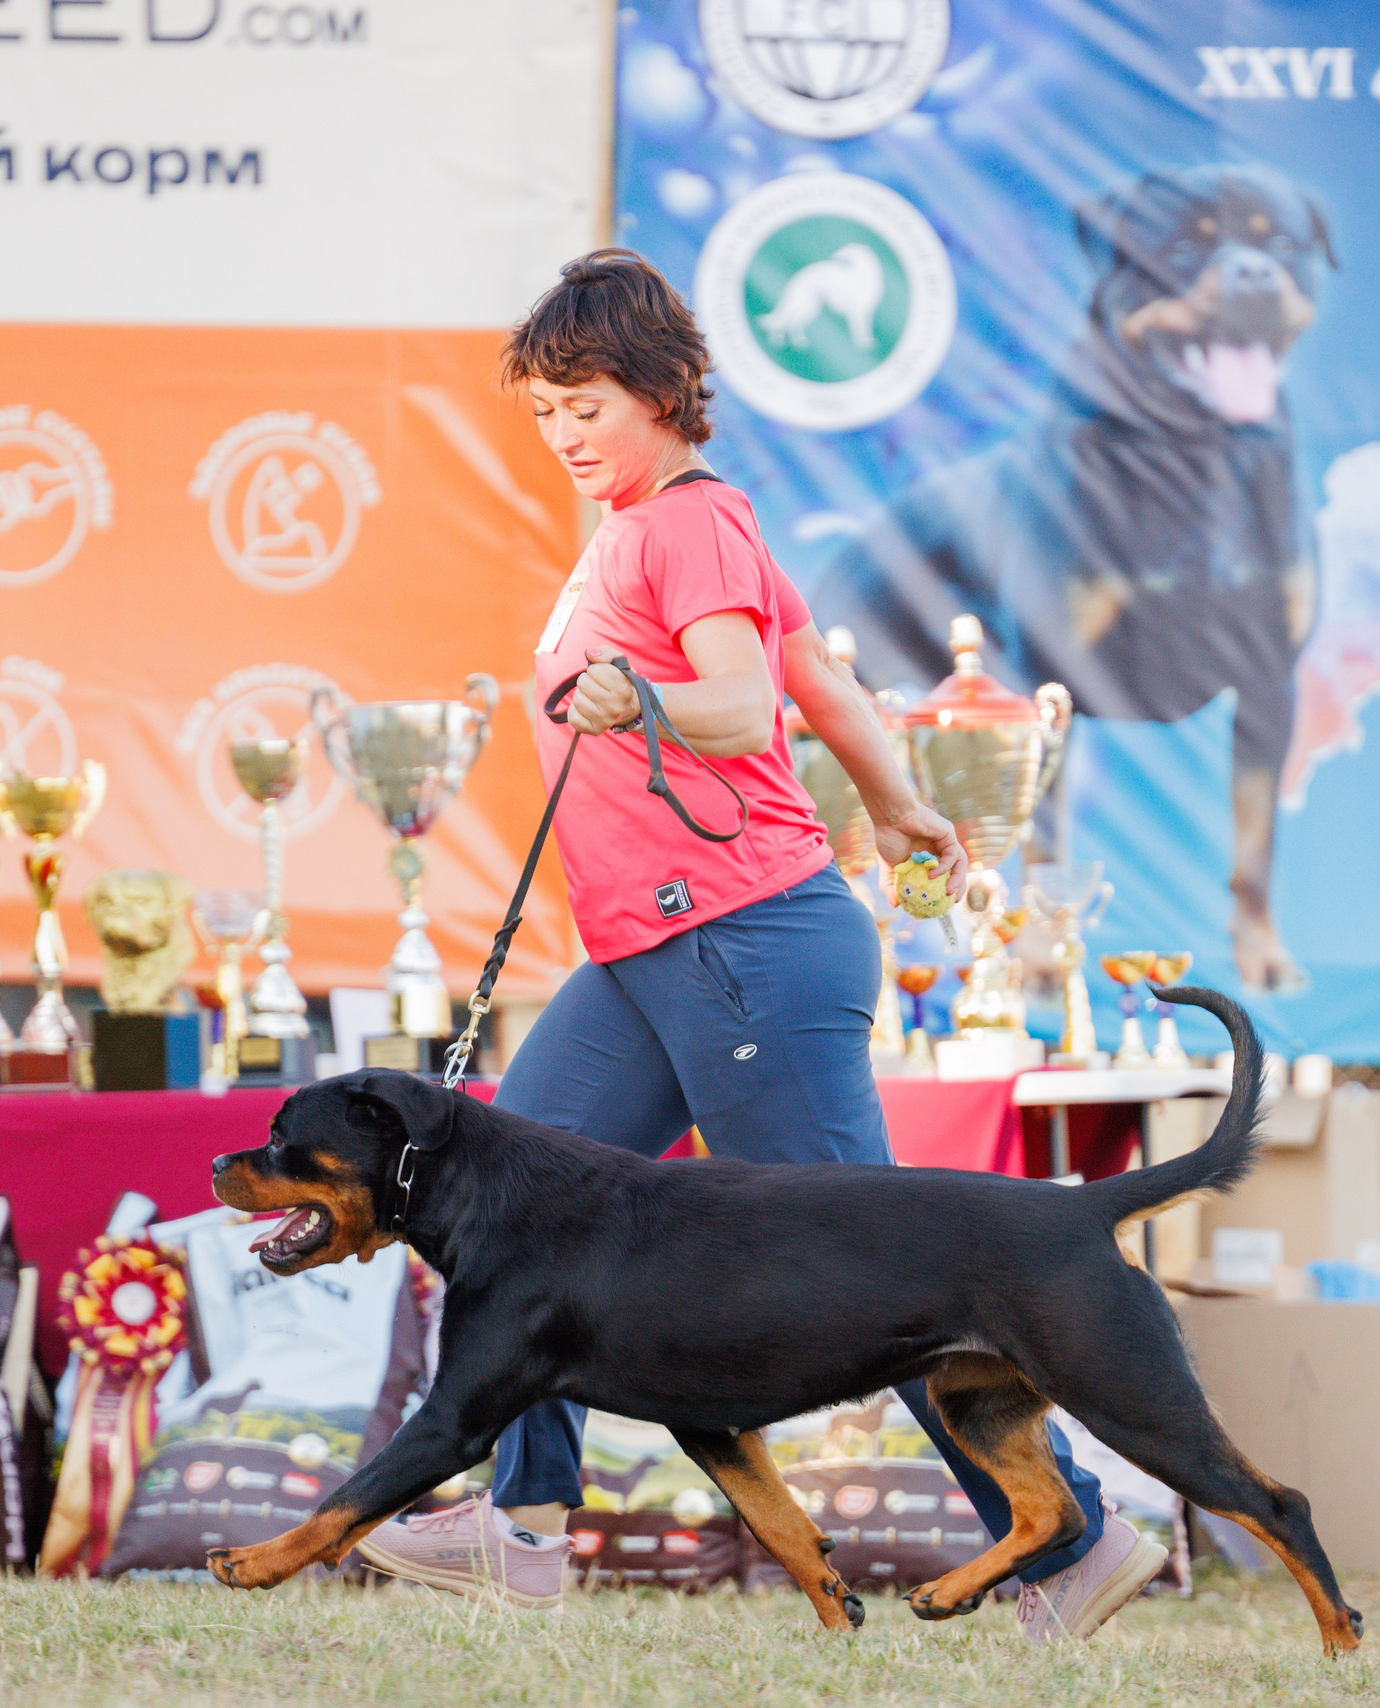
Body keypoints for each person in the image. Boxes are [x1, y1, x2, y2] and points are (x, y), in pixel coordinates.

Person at [354, 252, 1167, 1640]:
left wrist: (654, 699)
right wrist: (905, 800)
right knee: (500, 1219)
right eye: (543, 412)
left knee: (896, 1275)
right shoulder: (657, 531)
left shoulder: (686, 525)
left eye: (585, 403)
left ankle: (1072, 1541)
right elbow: (819, 678)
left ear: (664, 391)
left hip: (742, 945)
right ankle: (527, 1523)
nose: (562, 436)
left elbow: (736, 701)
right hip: (648, 956)